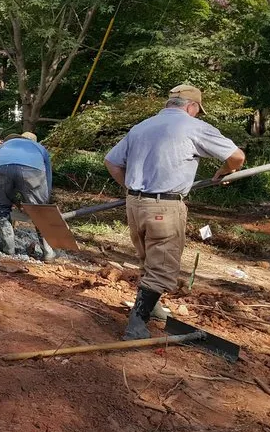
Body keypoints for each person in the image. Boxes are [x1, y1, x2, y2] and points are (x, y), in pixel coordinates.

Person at [104, 85, 245, 340]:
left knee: (149, 259)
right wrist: (226, 170)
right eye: (197, 111)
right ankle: (136, 325)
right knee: (163, 268)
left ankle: (153, 309)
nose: (197, 115)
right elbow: (236, 156)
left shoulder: (142, 126)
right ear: (191, 107)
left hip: (135, 204)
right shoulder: (192, 127)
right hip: (165, 206)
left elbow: (111, 161)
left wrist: (131, 188)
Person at [0, 132, 55, 261]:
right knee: (40, 212)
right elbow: (47, 175)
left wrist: (14, 201)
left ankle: (8, 248)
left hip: (1, 167)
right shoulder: (39, 148)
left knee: (1, 209)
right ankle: (48, 253)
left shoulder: (7, 144)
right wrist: (44, 202)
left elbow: (6, 182)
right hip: (32, 169)